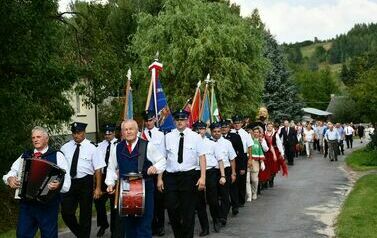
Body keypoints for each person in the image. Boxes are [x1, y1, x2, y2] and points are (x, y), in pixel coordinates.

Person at [3, 126, 71, 238]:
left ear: (46, 138)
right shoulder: (26, 155)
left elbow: (67, 183)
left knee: (49, 236)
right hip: (27, 205)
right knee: (22, 235)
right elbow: (10, 173)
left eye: (38, 137)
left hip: (48, 205)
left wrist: (58, 185)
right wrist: (10, 179)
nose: (35, 139)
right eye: (33, 137)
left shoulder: (57, 155)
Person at [105, 120, 166, 238]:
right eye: (125, 130)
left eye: (131, 129)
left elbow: (162, 161)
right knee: (129, 227)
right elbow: (111, 167)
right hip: (126, 191)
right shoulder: (117, 147)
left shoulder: (147, 145)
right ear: (122, 132)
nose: (128, 132)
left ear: (137, 130)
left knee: (144, 227)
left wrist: (155, 167)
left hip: (145, 190)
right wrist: (110, 183)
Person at [159, 110, 206, 238]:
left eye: (182, 119)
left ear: (187, 121)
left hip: (189, 177)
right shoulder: (167, 137)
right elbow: (162, 159)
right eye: (177, 119)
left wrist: (202, 177)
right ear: (174, 121)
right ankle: (178, 235)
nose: (180, 122)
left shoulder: (195, 137)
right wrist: (159, 179)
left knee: (188, 211)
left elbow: (202, 157)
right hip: (171, 177)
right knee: (171, 208)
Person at [61, 122, 106, 238]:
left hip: (86, 182)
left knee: (85, 214)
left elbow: (98, 169)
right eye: (74, 133)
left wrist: (98, 188)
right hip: (70, 182)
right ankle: (81, 235)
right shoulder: (65, 147)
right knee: (66, 213)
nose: (76, 136)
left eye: (79, 133)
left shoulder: (93, 147)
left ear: (84, 133)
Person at [193, 121, 226, 236]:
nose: (199, 131)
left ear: (205, 130)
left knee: (213, 199)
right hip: (196, 172)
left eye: (202, 129)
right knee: (199, 201)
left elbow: (220, 160)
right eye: (197, 129)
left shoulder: (212, 143)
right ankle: (204, 227)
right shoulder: (191, 143)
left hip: (210, 171)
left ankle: (216, 220)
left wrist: (222, 175)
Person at [141, 110, 166, 236]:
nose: (148, 123)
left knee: (158, 200)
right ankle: (151, 225)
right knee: (147, 201)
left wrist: (160, 178)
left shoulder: (161, 135)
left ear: (155, 120)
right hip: (145, 172)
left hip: (158, 171)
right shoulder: (140, 135)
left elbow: (162, 157)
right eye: (146, 120)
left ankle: (160, 225)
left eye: (150, 120)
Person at [94, 124, 118, 237]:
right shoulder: (99, 146)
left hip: (114, 176)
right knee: (99, 201)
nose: (107, 135)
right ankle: (103, 224)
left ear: (114, 133)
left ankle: (114, 229)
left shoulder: (119, 144)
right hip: (102, 176)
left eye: (110, 133)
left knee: (114, 204)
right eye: (106, 133)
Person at [220, 119, 246, 216]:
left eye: (226, 127)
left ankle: (235, 206)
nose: (224, 129)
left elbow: (241, 152)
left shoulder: (235, 137)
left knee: (233, 186)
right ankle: (225, 206)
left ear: (229, 128)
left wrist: (242, 167)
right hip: (222, 165)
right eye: (222, 127)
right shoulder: (217, 138)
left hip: (234, 164)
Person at [215, 122, 237, 226]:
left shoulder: (227, 143)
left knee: (224, 194)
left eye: (219, 131)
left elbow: (232, 159)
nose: (217, 133)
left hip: (226, 170)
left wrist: (233, 173)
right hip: (213, 171)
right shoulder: (207, 142)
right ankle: (218, 214)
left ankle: (223, 216)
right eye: (214, 131)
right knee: (214, 196)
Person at [231, 115, 252, 206]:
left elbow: (249, 146)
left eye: (238, 123)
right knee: (233, 179)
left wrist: (250, 159)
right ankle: (234, 199)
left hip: (242, 156)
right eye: (235, 123)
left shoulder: (245, 133)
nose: (237, 125)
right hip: (232, 157)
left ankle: (241, 199)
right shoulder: (231, 132)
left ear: (241, 123)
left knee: (242, 179)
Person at [248, 127, 267, 200]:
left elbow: (266, 149)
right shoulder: (248, 140)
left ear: (259, 133)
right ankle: (249, 195)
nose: (255, 133)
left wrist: (262, 162)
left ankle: (254, 192)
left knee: (254, 180)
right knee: (247, 180)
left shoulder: (261, 140)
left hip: (256, 162)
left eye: (257, 132)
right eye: (254, 132)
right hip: (247, 161)